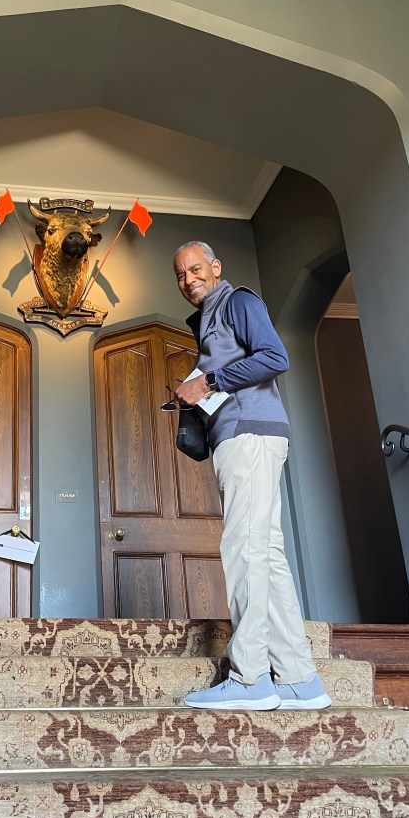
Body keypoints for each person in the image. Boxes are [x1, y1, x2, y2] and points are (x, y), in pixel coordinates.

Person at [173, 240, 331, 711]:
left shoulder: (237, 301)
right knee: (268, 553)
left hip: (250, 435)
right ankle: (300, 678)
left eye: (196, 269)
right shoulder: (208, 319)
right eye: (180, 274)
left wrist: (209, 381)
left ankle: (250, 677)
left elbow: (275, 357)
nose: (188, 279)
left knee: (244, 548)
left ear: (215, 267)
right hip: (246, 436)